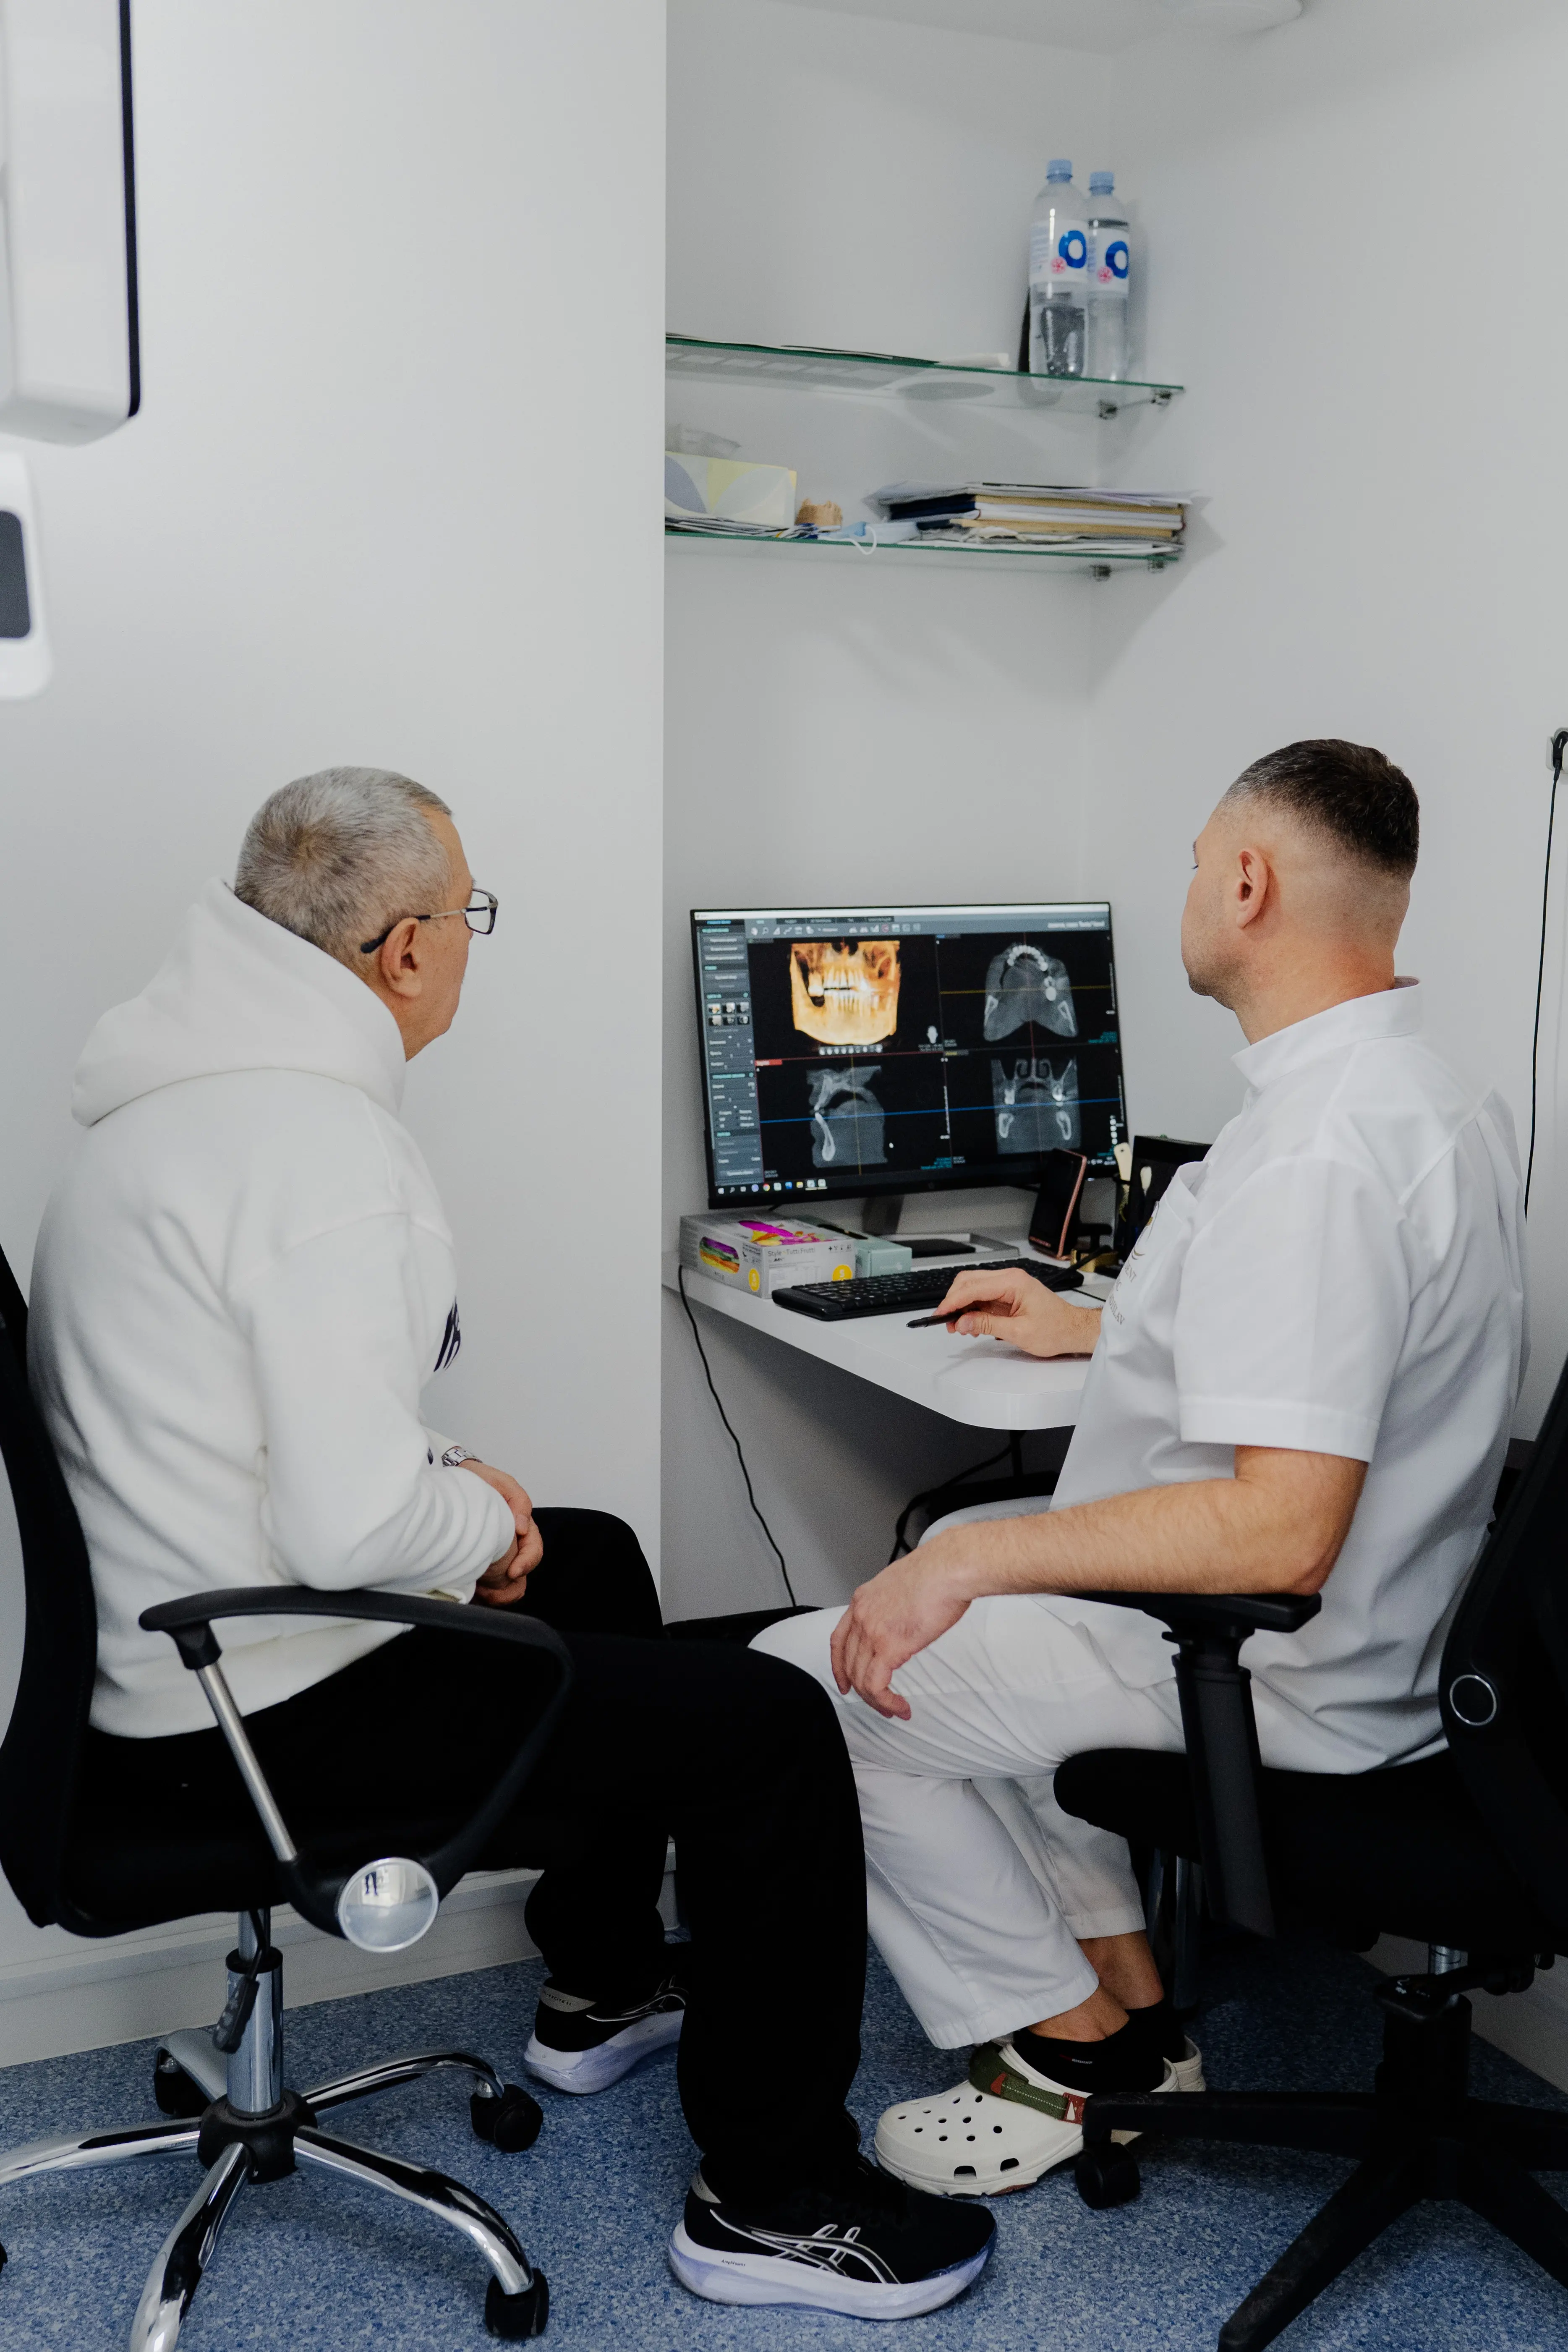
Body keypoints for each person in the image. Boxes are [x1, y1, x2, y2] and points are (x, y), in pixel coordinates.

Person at [28, 767, 993, 2318]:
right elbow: (343, 1519)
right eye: (468, 914)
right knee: (772, 1724)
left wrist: (463, 1496)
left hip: (173, 1680)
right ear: (403, 948)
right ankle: (774, 2195)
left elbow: (237, 1427)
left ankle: (600, 1975)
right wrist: (463, 1511)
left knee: (589, 1554)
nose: (472, 943)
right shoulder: (324, 1150)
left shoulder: (167, 1115)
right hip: (265, 1720)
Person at [755, 740, 1526, 2200]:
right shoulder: (1421, 1098)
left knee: (828, 1679)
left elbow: (1284, 1529)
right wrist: (1100, 1332)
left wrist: (969, 1557)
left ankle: (1071, 2053)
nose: (1183, 890)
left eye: (1191, 862)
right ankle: (1135, 2020)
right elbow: (1329, 1354)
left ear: (1248, 883)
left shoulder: (1317, 1154)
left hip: (1286, 1663)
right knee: (986, 1604)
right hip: (1393, 1639)